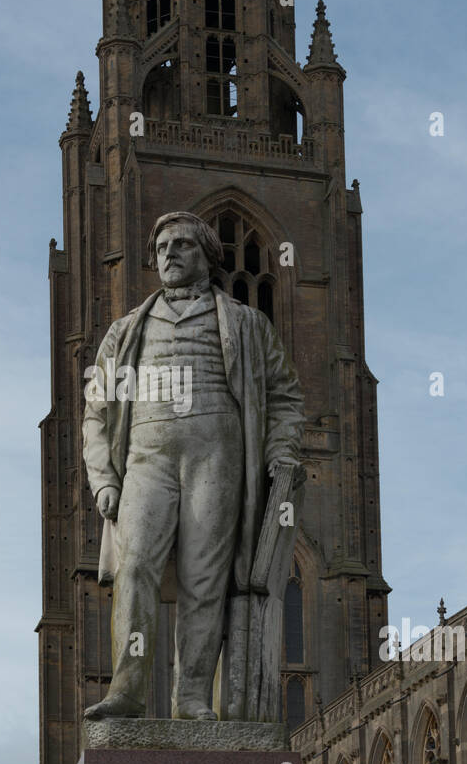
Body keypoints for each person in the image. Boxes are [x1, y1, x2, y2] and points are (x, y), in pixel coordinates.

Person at [82, 211, 305, 721]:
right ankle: (129, 690)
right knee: (134, 568)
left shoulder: (247, 324)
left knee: (205, 580)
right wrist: (103, 481)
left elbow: (286, 395)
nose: (169, 255)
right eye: (161, 247)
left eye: (181, 245)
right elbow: (96, 410)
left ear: (207, 255)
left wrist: (282, 453)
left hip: (217, 455)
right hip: (146, 457)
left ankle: (192, 697)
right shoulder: (124, 332)